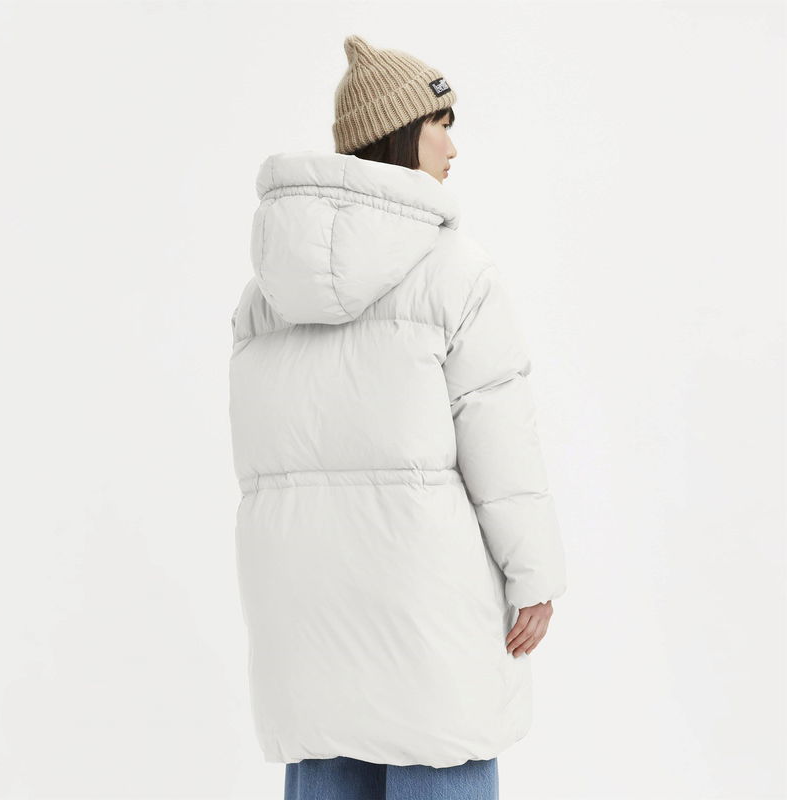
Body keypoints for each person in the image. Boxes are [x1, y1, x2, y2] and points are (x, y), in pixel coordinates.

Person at [229, 33, 567, 800]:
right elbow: (500, 444)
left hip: (306, 622)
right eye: (441, 123)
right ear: (399, 133)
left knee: (326, 764)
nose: (453, 145)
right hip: (428, 622)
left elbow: (262, 463)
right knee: (442, 754)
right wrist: (536, 575)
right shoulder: (456, 274)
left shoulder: (266, 294)